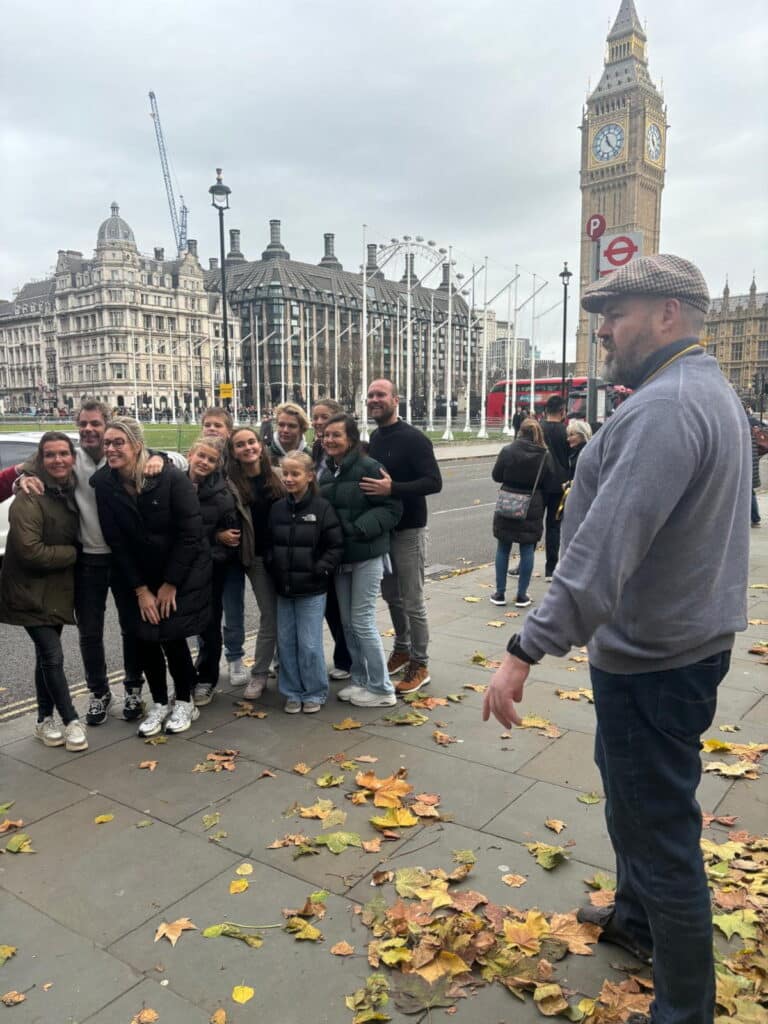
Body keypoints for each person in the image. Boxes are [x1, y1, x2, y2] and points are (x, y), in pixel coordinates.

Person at [482, 255, 751, 1024]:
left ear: (667, 314)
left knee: (661, 836)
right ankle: (635, 919)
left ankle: (684, 1011)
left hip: (655, 661)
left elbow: (602, 553)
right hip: (678, 645)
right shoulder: (701, 391)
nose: (603, 329)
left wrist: (523, 650)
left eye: (618, 313)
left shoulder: (666, 408)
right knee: (637, 801)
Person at [18, 399, 148, 726]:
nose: (88, 430)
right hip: (87, 560)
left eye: (95, 424)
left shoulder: (121, 453)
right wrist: (21, 480)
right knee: (90, 632)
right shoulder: (70, 457)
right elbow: (21, 471)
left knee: (132, 627)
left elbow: (155, 456)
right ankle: (99, 691)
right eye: (83, 424)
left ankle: (133, 687)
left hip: (125, 560)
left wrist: (158, 458)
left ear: (108, 425)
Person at [92, 418, 211, 736]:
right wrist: (140, 589)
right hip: (137, 574)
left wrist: (170, 583)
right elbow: (115, 539)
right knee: (144, 637)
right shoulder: (103, 483)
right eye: (108, 443)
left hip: (177, 569)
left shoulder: (169, 477)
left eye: (119, 442)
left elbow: (191, 533)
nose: (112, 449)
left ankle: (185, 699)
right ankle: (159, 701)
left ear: (137, 445)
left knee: (172, 635)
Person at [0, 433, 87, 750]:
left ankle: (42, 719)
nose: (58, 460)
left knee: (44, 658)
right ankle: (70, 720)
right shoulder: (31, 494)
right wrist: (74, 553)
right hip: (27, 590)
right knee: (53, 656)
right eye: (50, 455)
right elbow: (29, 551)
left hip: (54, 590)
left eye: (64, 453)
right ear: (40, 459)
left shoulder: (68, 489)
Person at [363, 379, 442, 694]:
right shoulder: (374, 437)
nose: (374, 399)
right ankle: (402, 647)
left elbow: (433, 482)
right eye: (370, 395)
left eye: (380, 394)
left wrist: (393, 488)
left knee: (413, 600)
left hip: (409, 530)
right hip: (385, 529)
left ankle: (420, 663)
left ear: (396, 399)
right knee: (391, 596)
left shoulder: (414, 439)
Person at [320, 413, 402, 708]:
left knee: (362, 620)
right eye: (326, 435)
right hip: (342, 558)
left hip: (367, 554)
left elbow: (392, 509)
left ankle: (381, 688)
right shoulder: (329, 472)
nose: (329, 440)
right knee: (348, 623)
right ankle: (360, 679)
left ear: (351, 439)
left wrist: (357, 530)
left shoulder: (369, 467)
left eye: (336, 435)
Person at [266, 452, 344, 713]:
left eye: (295, 474)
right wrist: (273, 567)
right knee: (286, 643)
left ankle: (314, 691)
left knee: (309, 644)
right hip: (284, 588)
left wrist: (319, 570)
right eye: (285, 473)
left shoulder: (321, 508)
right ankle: (291, 691)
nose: (288, 479)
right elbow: (268, 544)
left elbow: (334, 546)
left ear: (309, 476)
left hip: (312, 589)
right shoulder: (277, 509)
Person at [226, 427, 283, 700]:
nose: (248, 448)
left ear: (260, 445)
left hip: (284, 556)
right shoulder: (231, 483)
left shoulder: (279, 476)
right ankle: (259, 673)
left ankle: (284, 667)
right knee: (270, 615)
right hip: (256, 558)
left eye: (252, 442)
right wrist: (217, 534)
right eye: (240, 445)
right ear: (233, 452)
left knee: (288, 614)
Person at [186, 436, 240, 706]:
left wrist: (210, 550)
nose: (204, 462)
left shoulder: (222, 495)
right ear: (189, 455)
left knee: (208, 626)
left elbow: (231, 540)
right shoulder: (172, 483)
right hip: (177, 571)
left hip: (208, 571)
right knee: (177, 628)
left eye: (211, 459)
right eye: (201, 456)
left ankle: (206, 679)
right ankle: (185, 678)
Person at [490, 419, 555, 609]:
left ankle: (500, 593)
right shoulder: (544, 455)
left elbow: (496, 476)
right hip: (531, 504)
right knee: (527, 549)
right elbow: (549, 482)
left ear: (520, 431)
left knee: (503, 547)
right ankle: (521, 595)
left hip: (508, 501)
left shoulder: (508, 451)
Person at [311, 398, 352, 682]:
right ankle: (344, 657)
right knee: (329, 605)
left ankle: (348, 659)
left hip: (340, 535)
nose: (317, 423)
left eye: (323, 417)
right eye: (314, 418)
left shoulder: (354, 455)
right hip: (318, 534)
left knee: (342, 607)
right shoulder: (317, 449)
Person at [539, 395, 570, 581]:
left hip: (539, 482)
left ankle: (522, 563)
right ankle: (551, 568)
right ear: (562, 411)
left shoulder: (538, 429)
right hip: (560, 485)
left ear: (545, 411)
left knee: (534, 525)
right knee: (553, 527)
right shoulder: (566, 431)